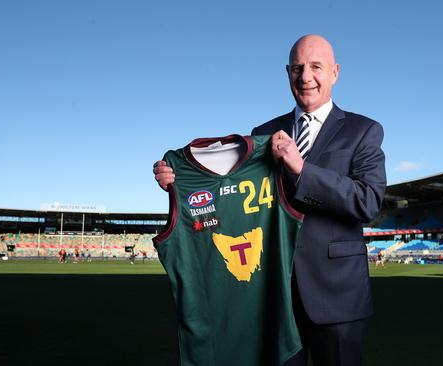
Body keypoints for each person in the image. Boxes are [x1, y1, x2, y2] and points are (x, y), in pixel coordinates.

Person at [153, 34, 386, 366]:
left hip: (337, 296)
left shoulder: (363, 130)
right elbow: (230, 191)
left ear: (335, 72)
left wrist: (302, 169)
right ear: (287, 73)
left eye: (316, 67)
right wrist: (180, 188)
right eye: (297, 68)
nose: (305, 77)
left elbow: (368, 201)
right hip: (272, 298)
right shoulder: (262, 133)